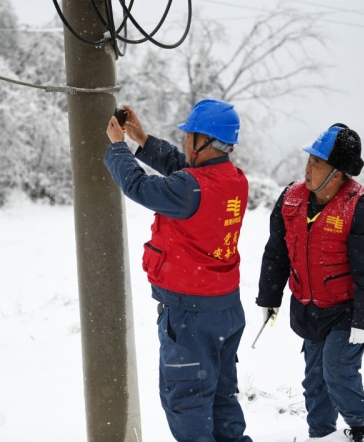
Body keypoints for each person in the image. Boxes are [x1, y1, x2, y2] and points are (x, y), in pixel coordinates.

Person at [103, 99, 252, 442]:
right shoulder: (234, 180)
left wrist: (118, 148)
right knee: (219, 396)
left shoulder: (190, 189)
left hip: (190, 316)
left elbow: (139, 187)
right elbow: (186, 172)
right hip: (226, 309)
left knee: (186, 402)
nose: (184, 142)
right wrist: (144, 140)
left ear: (205, 141)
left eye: (188, 136)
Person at [256, 124, 364, 442]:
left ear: (339, 173)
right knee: (315, 382)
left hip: (346, 312)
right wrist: (269, 297)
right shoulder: (290, 199)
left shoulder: (360, 210)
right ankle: (322, 436)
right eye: (309, 160)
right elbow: (277, 252)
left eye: (317, 162)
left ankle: (360, 428)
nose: (308, 167)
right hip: (308, 309)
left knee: (337, 370)